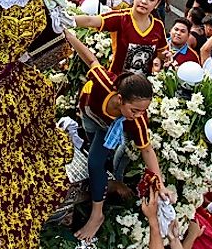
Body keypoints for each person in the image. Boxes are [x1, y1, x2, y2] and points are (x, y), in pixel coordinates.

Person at [68, 29, 172, 241]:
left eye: (143, 110)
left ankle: (97, 215)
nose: (139, 115)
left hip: (109, 129)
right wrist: (68, 36)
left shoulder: (138, 120)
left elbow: (147, 149)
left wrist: (160, 182)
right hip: (89, 114)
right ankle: (105, 181)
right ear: (119, 98)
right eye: (135, 110)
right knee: (91, 148)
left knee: (94, 162)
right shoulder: (105, 83)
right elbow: (90, 59)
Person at [75, 0, 169, 75]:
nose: (144, 1)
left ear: (157, 3)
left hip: (142, 86)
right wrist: (66, 20)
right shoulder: (121, 18)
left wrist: (166, 56)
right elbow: (90, 20)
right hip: (117, 82)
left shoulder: (158, 26)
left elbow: (161, 53)